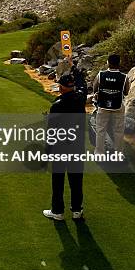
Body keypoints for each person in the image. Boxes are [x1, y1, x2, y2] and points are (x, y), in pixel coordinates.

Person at [43, 69, 87, 221]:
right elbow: (83, 85)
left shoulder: (57, 106)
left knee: (58, 181)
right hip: (77, 148)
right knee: (76, 181)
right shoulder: (81, 99)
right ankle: (77, 210)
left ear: (61, 87)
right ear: (73, 86)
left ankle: (58, 212)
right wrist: (74, 68)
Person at [92, 54, 130, 155]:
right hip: (118, 107)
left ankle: (99, 152)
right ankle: (118, 153)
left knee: (100, 130)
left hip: (103, 106)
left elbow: (94, 89)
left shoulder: (100, 74)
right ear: (119, 63)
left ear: (108, 63)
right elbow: (126, 92)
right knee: (118, 131)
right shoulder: (124, 77)